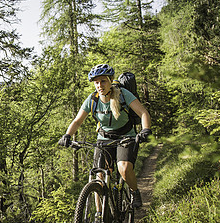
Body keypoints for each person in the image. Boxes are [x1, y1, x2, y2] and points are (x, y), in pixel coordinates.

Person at [58, 64, 152, 208]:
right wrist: (67, 135)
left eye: (103, 81)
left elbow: (143, 113)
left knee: (124, 168)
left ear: (110, 80)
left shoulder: (123, 94)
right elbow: (77, 121)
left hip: (126, 137)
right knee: (99, 176)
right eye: (96, 82)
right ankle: (99, 214)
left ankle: (134, 192)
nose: (99, 85)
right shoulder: (93, 99)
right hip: (104, 138)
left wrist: (145, 130)